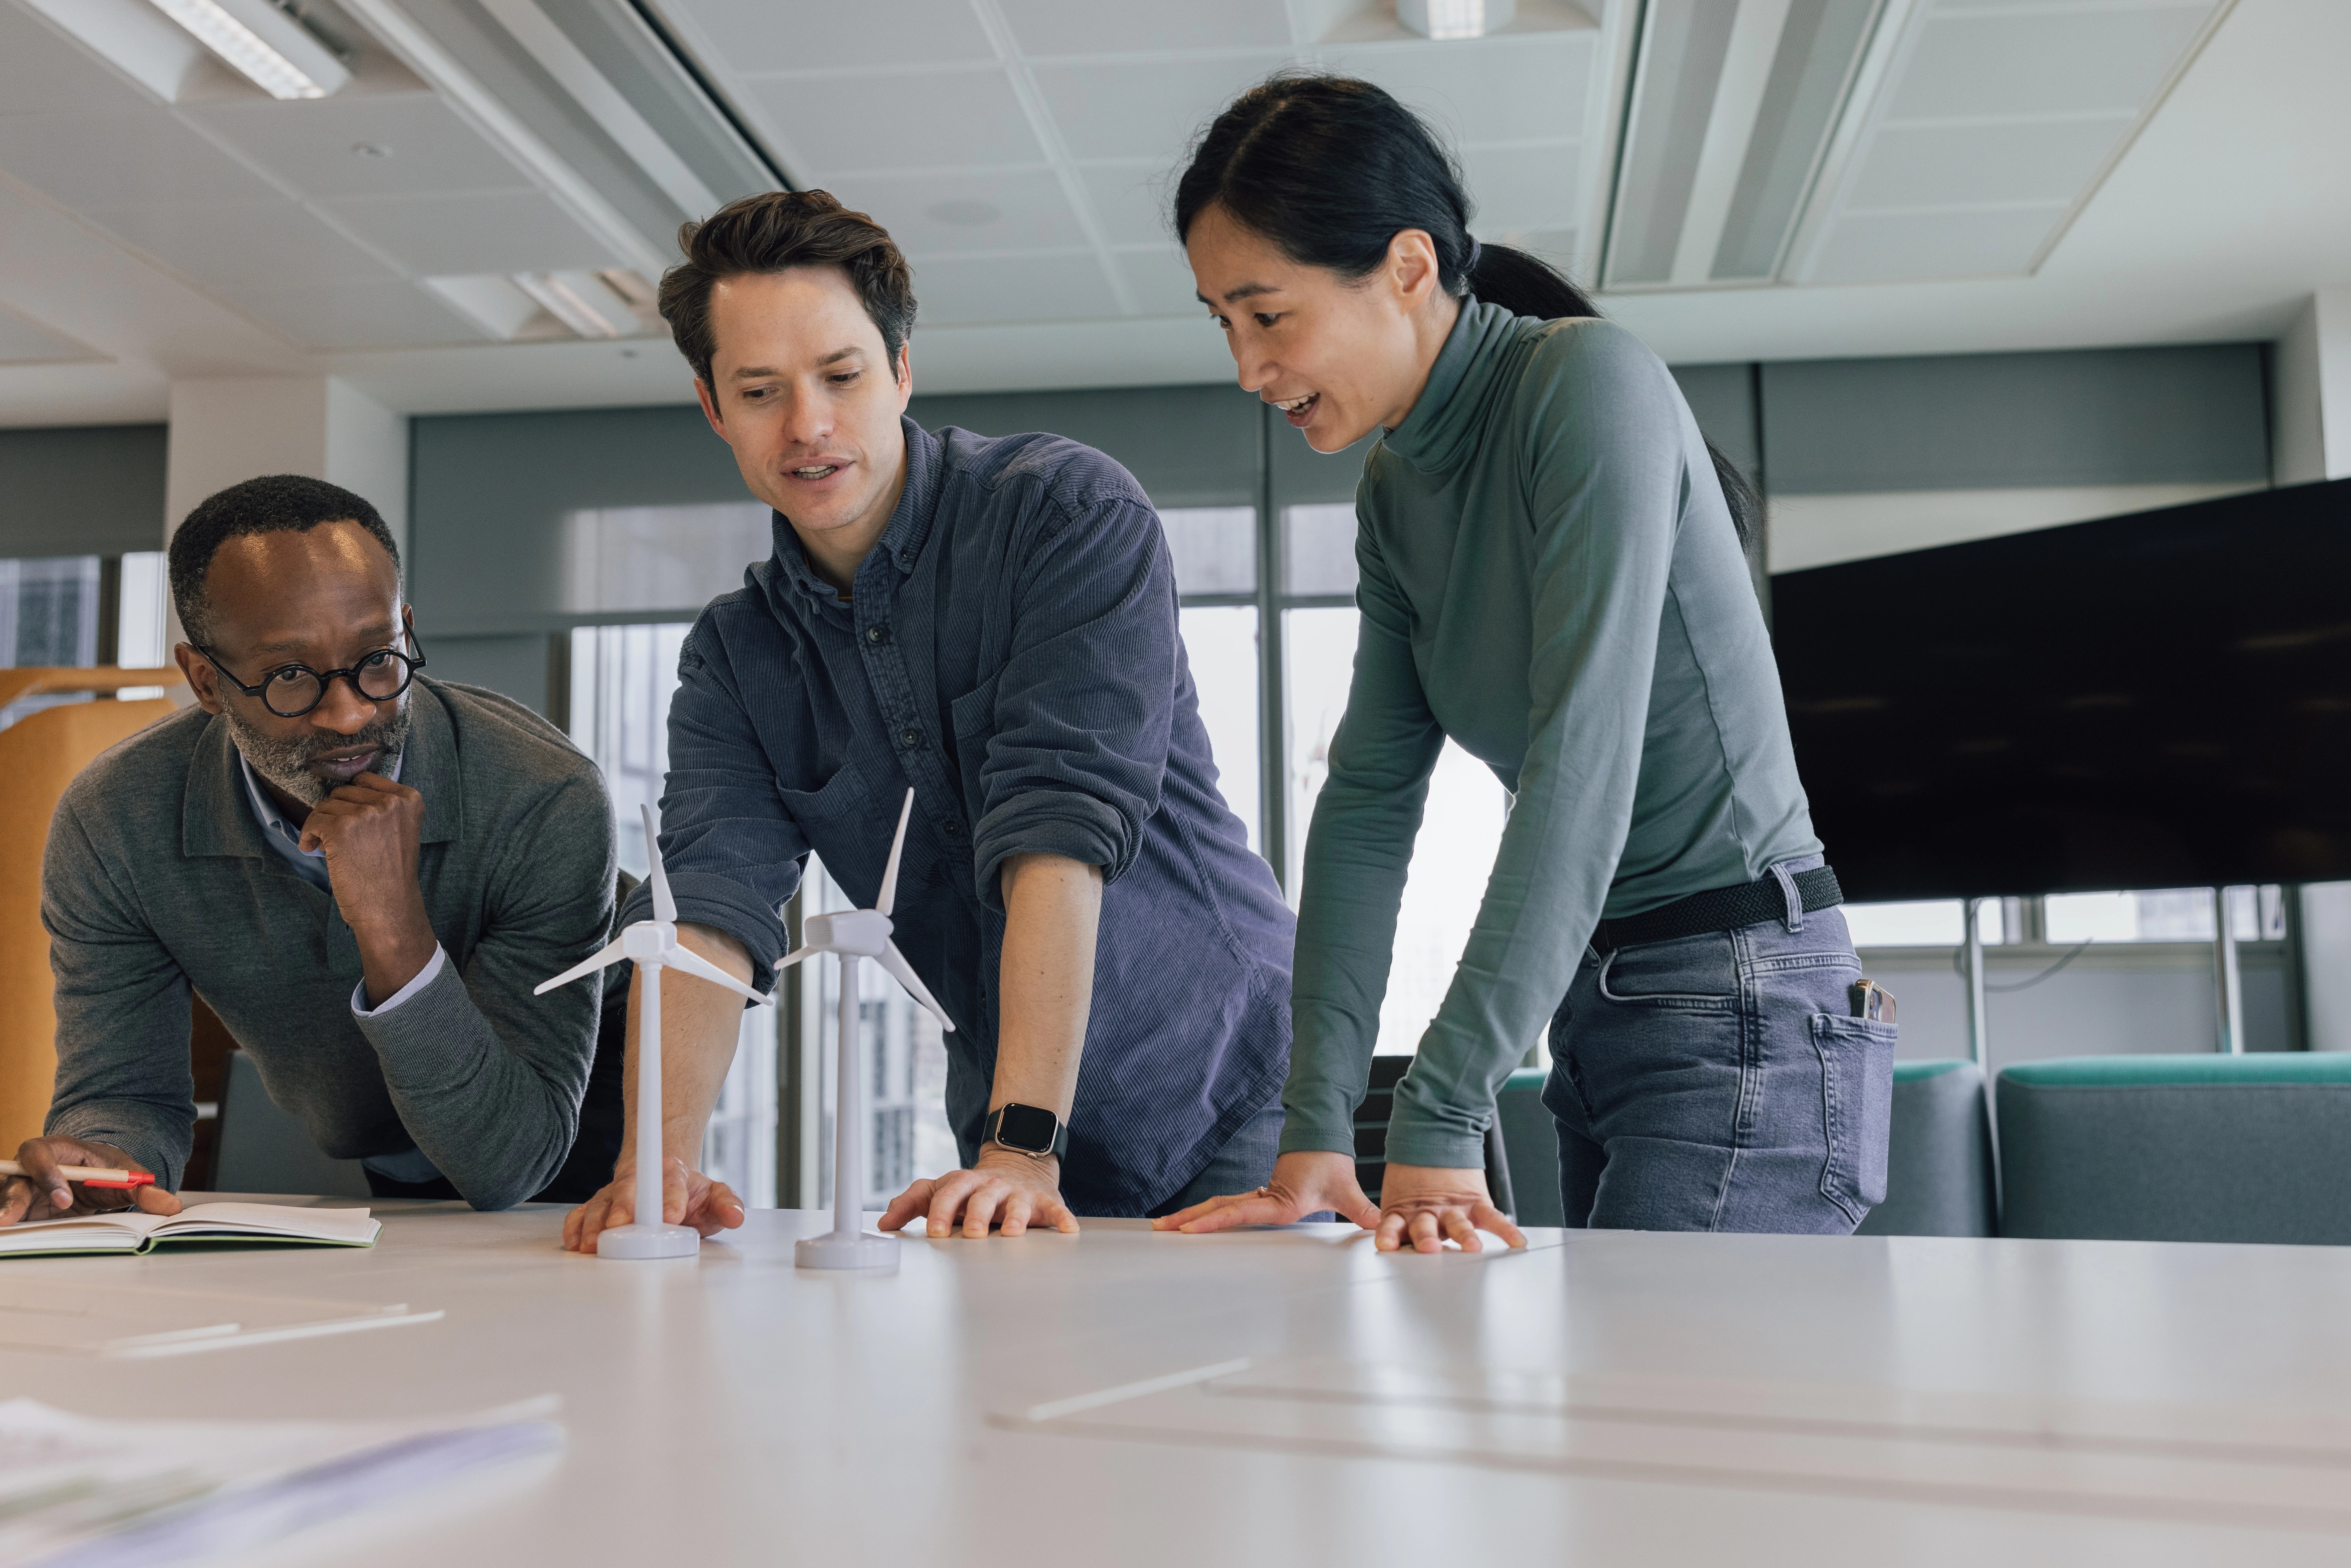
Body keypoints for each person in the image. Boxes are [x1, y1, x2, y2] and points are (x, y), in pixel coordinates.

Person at [1157, 75, 1894, 1253]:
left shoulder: (1582, 383)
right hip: (1600, 1008)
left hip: (1744, 998)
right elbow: (1363, 806)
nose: (1247, 368)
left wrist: (1440, 1106)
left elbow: (1579, 766)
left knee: (1656, 1424)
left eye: (1268, 314)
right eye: (1223, 323)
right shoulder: (1397, 488)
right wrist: (1316, 1134)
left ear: (1405, 267)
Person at [561, 191, 1295, 1252]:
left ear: (901, 368)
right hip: (1008, 1129)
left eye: (841, 376)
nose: (806, 425)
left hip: (1234, 1094)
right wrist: (653, 1167)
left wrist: (1020, 1145)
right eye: (759, 391)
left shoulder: (1066, 515)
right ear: (712, 407)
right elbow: (707, 916)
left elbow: (1055, 835)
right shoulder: (736, 658)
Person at [2, 475, 626, 1227]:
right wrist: (99, 1162)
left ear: (405, 627)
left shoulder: (544, 795)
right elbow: (124, 1093)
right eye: (291, 676)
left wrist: (394, 926)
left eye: (378, 658)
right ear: (205, 679)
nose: (350, 711)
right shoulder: (115, 822)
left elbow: (507, 1163)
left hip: (565, 1136)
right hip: (373, 1153)